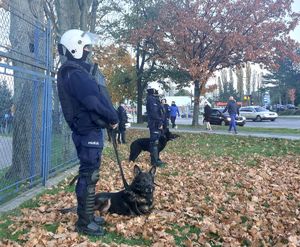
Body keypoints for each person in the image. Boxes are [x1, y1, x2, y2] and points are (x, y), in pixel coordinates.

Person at [57, 29, 119, 236]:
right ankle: (84, 223)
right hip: (87, 131)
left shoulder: (75, 72)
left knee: (90, 175)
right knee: (88, 175)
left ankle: (89, 217)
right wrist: (112, 117)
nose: (88, 52)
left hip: (88, 130)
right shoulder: (75, 74)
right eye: (85, 48)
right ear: (74, 48)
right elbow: (92, 100)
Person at [146, 83, 165, 167]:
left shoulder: (155, 99)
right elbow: (154, 113)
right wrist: (160, 122)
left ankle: (156, 158)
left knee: (156, 142)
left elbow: (160, 112)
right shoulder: (151, 99)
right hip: (155, 124)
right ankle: (154, 161)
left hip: (157, 123)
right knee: (154, 142)